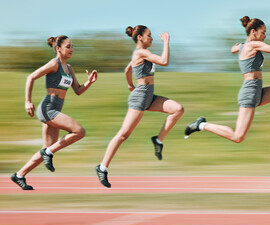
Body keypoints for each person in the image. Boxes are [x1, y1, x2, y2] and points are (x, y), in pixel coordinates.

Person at [95, 25, 184, 188]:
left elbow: (127, 69)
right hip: (140, 97)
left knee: (177, 109)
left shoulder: (139, 54)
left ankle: (158, 140)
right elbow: (164, 61)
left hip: (149, 95)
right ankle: (102, 167)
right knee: (123, 134)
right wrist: (166, 42)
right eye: (149, 35)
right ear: (140, 38)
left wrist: (130, 84)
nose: (152, 38)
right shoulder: (141, 52)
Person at [11, 35, 98, 190]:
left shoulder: (69, 68)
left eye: (72, 46)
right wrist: (27, 101)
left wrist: (89, 82)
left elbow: (78, 90)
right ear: (58, 49)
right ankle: (48, 153)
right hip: (47, 109)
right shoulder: (54, 64)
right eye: (68, 46)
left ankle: (19, 175)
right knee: (79, 131)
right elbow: (31, 77)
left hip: (56, 110)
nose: (71, 49)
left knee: (48, 148)